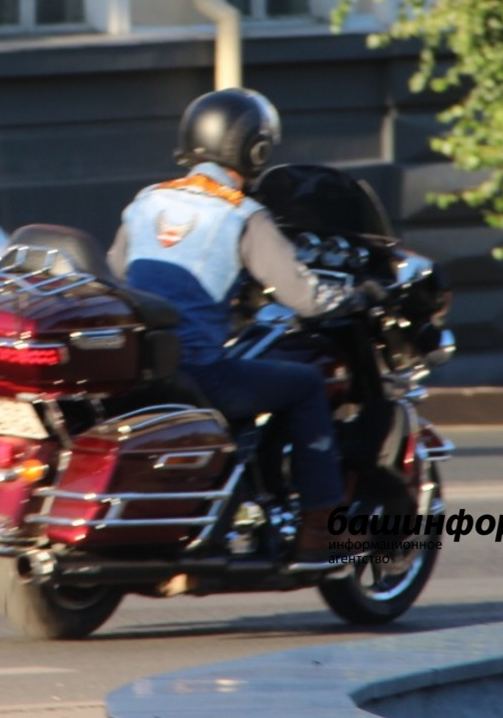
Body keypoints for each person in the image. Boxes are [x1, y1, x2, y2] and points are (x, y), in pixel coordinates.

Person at [109, 88, 357, 564]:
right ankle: (320, 526)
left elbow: (121, 272)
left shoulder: (146, 201)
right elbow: (303, 297)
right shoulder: (243, 214)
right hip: (200, 371)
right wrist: (356, 295)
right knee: (306, 383)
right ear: (254, 149)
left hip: (142, 366)